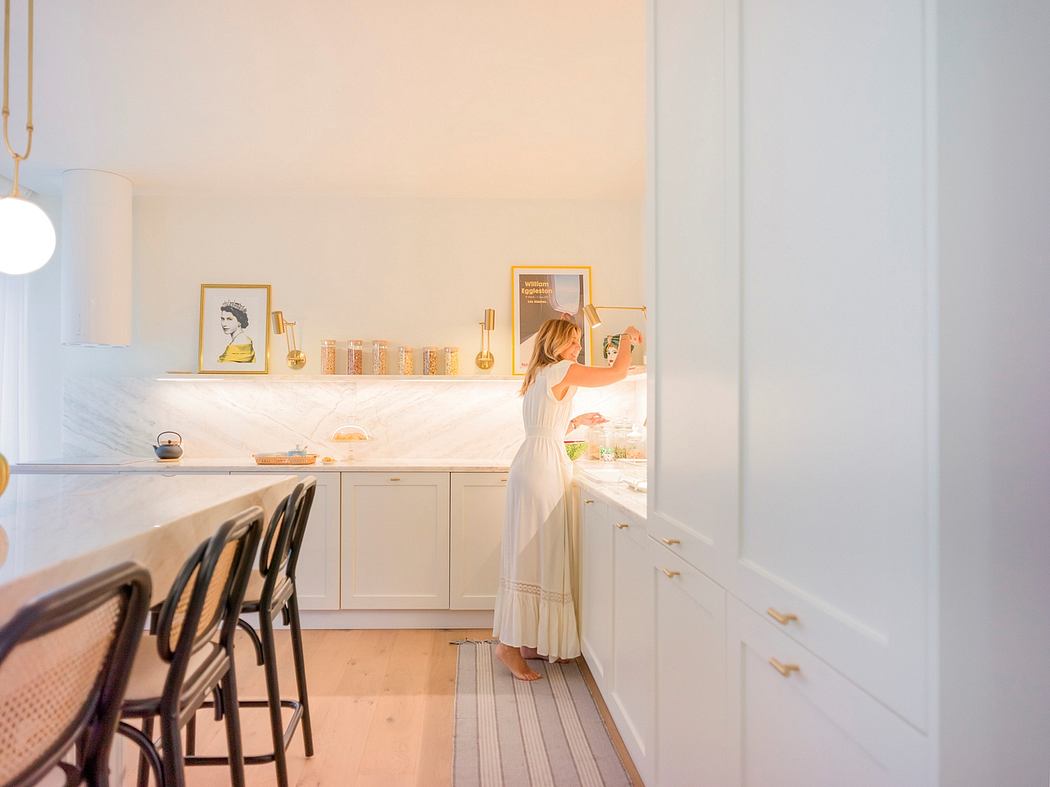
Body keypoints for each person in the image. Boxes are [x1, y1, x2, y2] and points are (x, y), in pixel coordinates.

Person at [492, 318, 643, 680]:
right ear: (556, 343)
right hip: (541, 469)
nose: (578, 348)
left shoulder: (541, 373)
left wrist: (575, 422)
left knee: (533, 552)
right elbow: (618, 373)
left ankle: (526, 641)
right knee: (538, 551)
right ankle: (509, 647)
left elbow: (545, 426)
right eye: (573, 341)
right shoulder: (563, 368)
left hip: (533, 463)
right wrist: (626, 340)